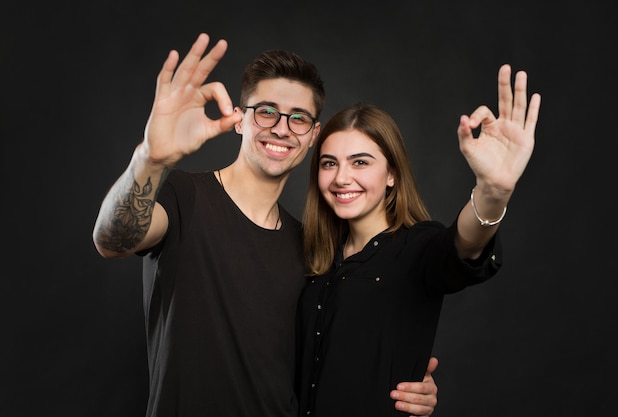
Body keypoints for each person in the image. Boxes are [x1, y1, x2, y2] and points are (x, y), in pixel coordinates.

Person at [92, 33, 438, 417]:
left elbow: (333, 352)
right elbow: (113, 240)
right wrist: (151, 159)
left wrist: (406, 382)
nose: (281, 128)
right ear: (240, 119)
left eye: (298, 118)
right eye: (266, 111)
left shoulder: (311, 248)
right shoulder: (182, 195)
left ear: (312, 136)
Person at [297, 65, 541, 416]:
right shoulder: (310, 254)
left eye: (360, 162)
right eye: (328, 163)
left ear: (392, 174)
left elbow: (465, 246)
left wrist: (493, 191)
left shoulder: (418, 248)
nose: (341, 178)